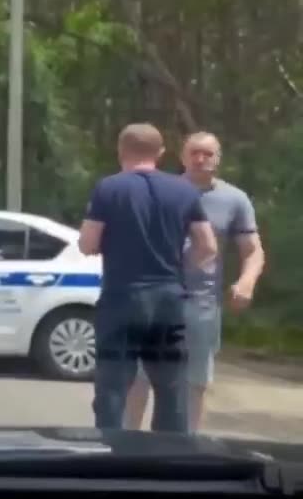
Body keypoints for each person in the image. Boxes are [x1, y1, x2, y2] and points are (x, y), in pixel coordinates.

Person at [77, 123, 217, 433]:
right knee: (171, 387)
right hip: (169, 299)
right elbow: (208, 246)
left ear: (121, 150)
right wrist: (180, 268)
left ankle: (111, 451)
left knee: (113, 385)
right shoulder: (185, 190)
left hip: (122, 298)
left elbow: (87, 243)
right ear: (162, 153)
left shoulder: (109, 188)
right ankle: (168, 457)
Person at [123, 132, 264, 432]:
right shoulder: (159, 191)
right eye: (194, 153)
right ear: (183, 156)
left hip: (201, 305)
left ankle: (184, 450)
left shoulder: (234, 199)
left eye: (208, 154)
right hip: (154, 298)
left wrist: (247, 281)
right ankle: (124, 445)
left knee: (195, 381)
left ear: (218, 158)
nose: (201, 159)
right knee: (138, 378)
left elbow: (253, 251)